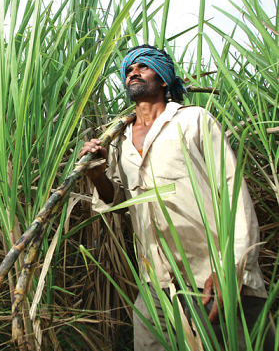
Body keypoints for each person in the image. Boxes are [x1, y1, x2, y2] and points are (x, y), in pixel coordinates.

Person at [79, 45, 274, 350]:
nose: (134, 72)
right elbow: (117, 200)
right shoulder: (118, 140)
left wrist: (230, 268)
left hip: (208, 271)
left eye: (143, 66)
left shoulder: (193, 120)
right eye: (129, 69)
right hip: (155, 278)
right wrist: (97, 175)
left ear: (165, 79)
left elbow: (232, 190)